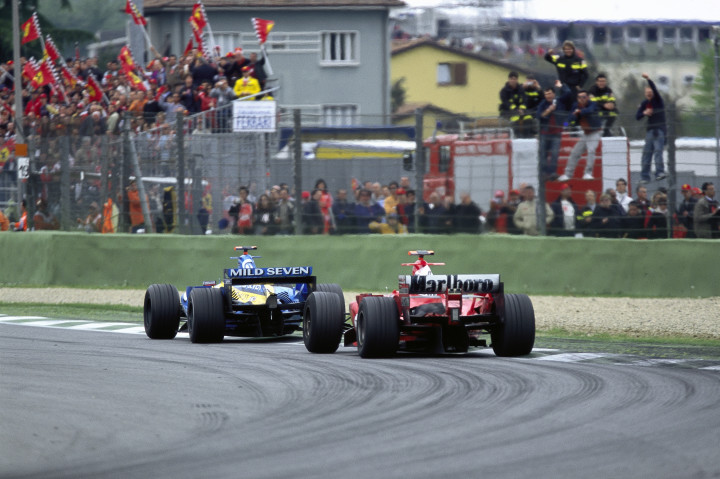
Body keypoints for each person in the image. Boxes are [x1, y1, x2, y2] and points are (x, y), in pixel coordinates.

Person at [557, 90, 602, 181]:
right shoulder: (575, 106)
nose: (581, 99)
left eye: (584, 97)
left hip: (595, 132)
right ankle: (568, 174)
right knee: (575, 153)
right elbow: (570, 118)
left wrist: (579, 112)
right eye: (579, 97)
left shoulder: (592, 104)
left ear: (587, 97)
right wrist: (565, 125)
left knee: (591, 150)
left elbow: (589, 111)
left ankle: (588, 173)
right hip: (585, 133)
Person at [536, 80, 571, 180]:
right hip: (544, 133)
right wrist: (548, 110)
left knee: (555, 154)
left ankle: (552, 173)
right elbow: (539, 115)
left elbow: (568, 93)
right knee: (543, 154)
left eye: (550, 93)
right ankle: (543, 173)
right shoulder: (543, 104)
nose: (548, 96)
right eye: (546, 94)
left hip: (556, 133)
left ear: (554, 94)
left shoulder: (559, 101)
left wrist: (561, 85)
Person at [635, 73, 667, 183]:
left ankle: (659, 172)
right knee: (646, 154)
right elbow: (637, 116)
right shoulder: (644, 103)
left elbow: (655, 89)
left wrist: (648, 79)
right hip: (649, 131)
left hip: (659, 130)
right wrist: (644, 112)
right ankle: (645, 176)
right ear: (644, 94)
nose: (649, 94)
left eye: (650, 92)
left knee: (658, 151)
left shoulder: (658, 101)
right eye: (647, 93)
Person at [498, 71, 530, 138]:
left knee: (528, 118)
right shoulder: (504, 91)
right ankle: (517, 135)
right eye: (511, 79)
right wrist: (516, 109)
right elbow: (506, 102)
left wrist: (522, 109)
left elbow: (525, 100)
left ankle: (527, 136)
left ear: (517, 80)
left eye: (514, 79)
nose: (513, 80)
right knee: (515, 118)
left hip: (520, 111)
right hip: (507, 111)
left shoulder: (521, 90)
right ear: (509, 79)